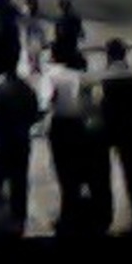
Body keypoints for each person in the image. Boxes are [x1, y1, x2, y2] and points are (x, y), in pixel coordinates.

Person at [91, 38, 132, 234]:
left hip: (108, 131)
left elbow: (95, 108)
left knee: (102, 178)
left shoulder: (100, 79)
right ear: (125, 53)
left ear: (108, 55)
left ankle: (104, 219)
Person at [0, 61, 43, 236]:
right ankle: (19, 217)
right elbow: (35, 112)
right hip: (22, 139)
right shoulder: (27, 87)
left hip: (2, 139)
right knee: (20, 178)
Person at [39, 48, 93, 235]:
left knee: (63, 171)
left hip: (60, 124)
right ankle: (80, 210)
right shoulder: (83, 76)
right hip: (81, 125)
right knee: (80, 168)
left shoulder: (51, 76)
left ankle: (68, 213)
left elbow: (46, 102)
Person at [52, 0, 86, 70]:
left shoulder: (60, 20)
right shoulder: (75, 18)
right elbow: (81, 34)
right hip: (70, 47)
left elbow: (57, 35)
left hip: (64, 49)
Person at [21, 0, 48, 75]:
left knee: (35, 56)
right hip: (32, 37)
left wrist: (43, 40)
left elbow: (41, 28)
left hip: (35, 38)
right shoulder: (29, 13)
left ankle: (35, 69)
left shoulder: (34, 13)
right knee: (33, 56)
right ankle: (35, 69)